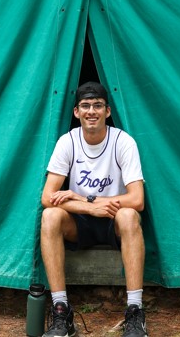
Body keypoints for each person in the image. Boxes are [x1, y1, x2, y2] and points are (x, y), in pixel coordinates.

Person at [40, 81, 147, 337]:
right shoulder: (68, 142)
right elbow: (48, 197)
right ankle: (60, 310)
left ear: (107, 111)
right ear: (76, 112)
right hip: (82, 222)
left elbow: (137, 199)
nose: (91, 111)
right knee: (50, 215)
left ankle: (135, 311)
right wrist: (88, 208)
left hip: (115, 218)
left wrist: (87, 199)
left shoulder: (123, 142)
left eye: (97, 106)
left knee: (130, 215)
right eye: (85, 106)